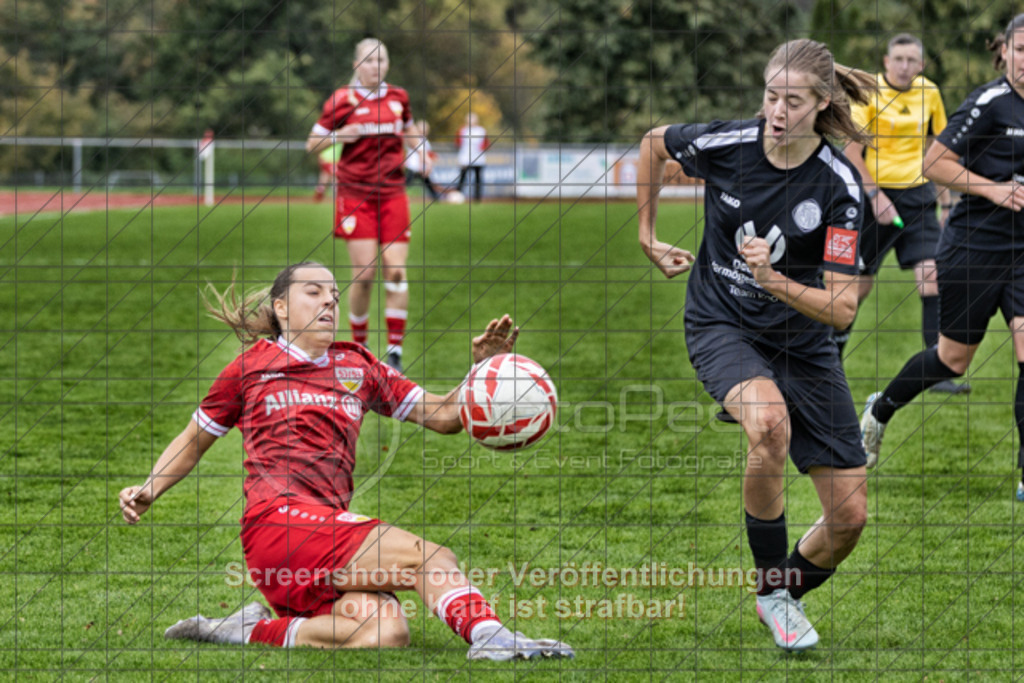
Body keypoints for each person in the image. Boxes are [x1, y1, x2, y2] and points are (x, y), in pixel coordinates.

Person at [118, 262, 574, 660]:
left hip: (322, 533)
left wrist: (481, 373)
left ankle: (246, 630)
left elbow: (443, 416)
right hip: (275, 525)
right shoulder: (249, 368)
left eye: (334, 295)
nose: (329, 303)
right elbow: (194, 439)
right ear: (281, 308)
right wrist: (149, 488)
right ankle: (493, 637)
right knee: (430, 559)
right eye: (313, 292)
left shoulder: (357, 365)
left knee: (383, 631)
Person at [637, 39, 874, 652]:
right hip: (722, 323)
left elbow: (843, 306)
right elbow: (653, 142)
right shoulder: (729, 144)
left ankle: (782, 595)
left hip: (805, 344)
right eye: (770, 95)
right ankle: (772, 587)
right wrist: (648, 235)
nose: (776, 110)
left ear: (821, 104)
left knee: (849, 518)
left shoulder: (840, 187)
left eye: (792, 100)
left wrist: (773, 280)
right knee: (768, 425)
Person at [862, 15, 1024, 500]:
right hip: (974, 248)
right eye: (1021, 50)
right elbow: (933, 163)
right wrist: (994, 190)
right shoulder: (990, 103)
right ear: (1005, 53)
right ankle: (880, 410)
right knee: (952, 361)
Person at [837, 33, 969, 395]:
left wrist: (945, 204)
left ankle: (936, 371)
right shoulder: (869, 92)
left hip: (919, 199)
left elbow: (938, 150)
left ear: (921, 65)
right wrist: (876, 197)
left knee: (932, 277)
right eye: (899, 59)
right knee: (854, 289)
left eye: (912, 60)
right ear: (886, 62)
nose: (905, 66)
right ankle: (827, 364)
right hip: (871, 200)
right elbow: (850, 153)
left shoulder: (930, 93)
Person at [306, 38, 430, 374]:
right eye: (370, 61)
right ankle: (360, 348)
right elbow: (312, 143)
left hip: (392, 194)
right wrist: (339, 136)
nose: (377, 66)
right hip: (354, 195)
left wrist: (422, 152)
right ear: (356, 65)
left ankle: (394, 353)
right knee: (363, 276)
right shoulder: (340, 100)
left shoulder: (398, 98)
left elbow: (409, 131)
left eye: (382, 60)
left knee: (396, 271)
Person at [404, 120, 442, 200]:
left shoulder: (426, 141)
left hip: (421, 168)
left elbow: (427, 154)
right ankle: (399, 197)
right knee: (405, 184)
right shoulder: (414, 140)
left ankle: (436, 197)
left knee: (428, 184)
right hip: (413, 167)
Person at [456, 112, 488, 202]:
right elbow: (458, 144)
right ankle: (457, 196)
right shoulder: (462, 130)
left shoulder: (481, 130)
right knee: (462, 178)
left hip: (478, 159)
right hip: (465, 159)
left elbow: (486, 144)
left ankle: (477, 198)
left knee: (478, 179)